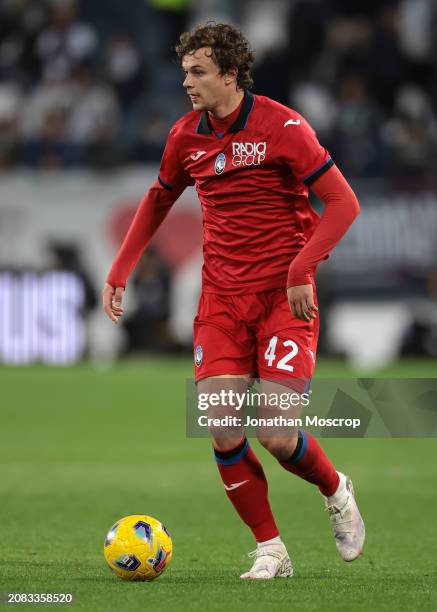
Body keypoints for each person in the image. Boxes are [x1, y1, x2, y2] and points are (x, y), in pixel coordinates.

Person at [102, 22, 364, 580]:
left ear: (229, 74)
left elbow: (343, 203)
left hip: (283, 300)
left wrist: (300, 268)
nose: (187, 83)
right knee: (222, 425)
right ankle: (271, 550)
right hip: (221, 300)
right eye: (184, 73)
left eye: (197, 72)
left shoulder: (284, 126)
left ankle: (336, 489)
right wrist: (121, 267)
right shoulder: (184, 137)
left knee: (274, 431)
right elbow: (157, 198)